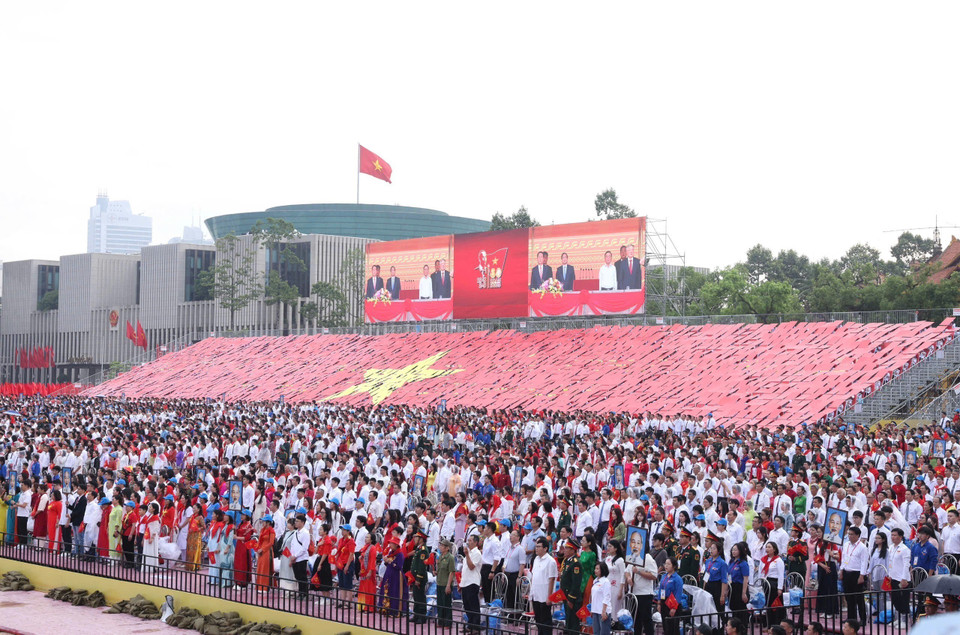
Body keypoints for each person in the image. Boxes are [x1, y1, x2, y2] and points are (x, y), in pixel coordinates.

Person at [627, 536, 657, 635]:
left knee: (646, 619)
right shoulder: (633, 556)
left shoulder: (648, 559)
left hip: (645, 593)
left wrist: (639, 572)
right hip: (634, 592)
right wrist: (628, 578)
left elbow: (654, 575)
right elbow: (626, 571)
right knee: (636, 619)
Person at [531, 536, 558, 635]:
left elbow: (551, 579)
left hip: (544, 595)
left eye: (539, 546)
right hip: (536, 594)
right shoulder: (536, 559)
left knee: (545, 620)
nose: (536, 548)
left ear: (545, 548)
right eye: (536, 546)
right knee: (538, 620)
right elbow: (534, 576)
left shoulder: (550, 561)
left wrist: (549, 597)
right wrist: (531, 593)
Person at [559, 538, 584, 632]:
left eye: (567, 548)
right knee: (568, 622)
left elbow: (576, 583)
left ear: (573, 550)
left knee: (573, 623)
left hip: (572, 598)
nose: (564, 550)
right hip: (566, 595)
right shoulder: (568, 561)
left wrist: (571, 598)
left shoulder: (575, 563)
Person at [461, 534, 483, 632]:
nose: (468, 542)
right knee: (467, 605)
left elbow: (471, 566)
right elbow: (465, 569)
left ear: (475, 542)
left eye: (470, 541)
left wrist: (466, 555)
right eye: (468, 540)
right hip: (466, 581)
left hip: (473, 582)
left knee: (473, 605)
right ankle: (470, 624)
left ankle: (476, 626)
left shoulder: (477, 553)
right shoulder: (469, 552)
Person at [888, 527, 911, 618]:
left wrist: (904, 578)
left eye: (895, 535)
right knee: (895, 599)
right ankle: (897, 617)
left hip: (901, 578)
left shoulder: (904, 549)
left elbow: (906, 565)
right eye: (892, 535)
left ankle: (904, 619)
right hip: (892, 577)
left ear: (900, 537)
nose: (893, 537)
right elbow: (890, 562)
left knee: (903, 600)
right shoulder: (890, 547)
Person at [760, 541, 785, 625]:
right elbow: (761, 572)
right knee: (766, 604)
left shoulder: (778, 560)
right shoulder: (763, 559)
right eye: (766, 547)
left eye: (770, 547)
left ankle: (775, 623)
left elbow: (781, 575)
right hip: (766, 582)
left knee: (773, 605)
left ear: (774, 549)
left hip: (774, 583)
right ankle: (767, 623)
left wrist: (780, 588)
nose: (767, 549)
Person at [660, 557, 685, 635]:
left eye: (668, 564)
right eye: (665, 564)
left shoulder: (677, 578)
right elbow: (661, 589)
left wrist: (674, 607)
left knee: (673, 627)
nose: (666, 566)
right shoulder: (663, 576)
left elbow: (678, 594)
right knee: (665, 625)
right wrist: (659, 602)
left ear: (674, 566)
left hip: (673, 603)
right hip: (664, 601)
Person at [409, 528, 430, 623]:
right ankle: (416, 614)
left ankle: (422, 616)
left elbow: (422, 566)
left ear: (421, 539)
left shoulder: (423, 550)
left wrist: (418, 578)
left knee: (420, 596)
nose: (414, 539)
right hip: (414, 576)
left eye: (416, 537)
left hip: (419, 577)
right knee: (416, 596)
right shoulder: (418, 549)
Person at [727, 542, 751, 623]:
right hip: (732, 586)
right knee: (733, 607)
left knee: (740, 609)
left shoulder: (743, 563)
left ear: (740, 551)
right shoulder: (731, 561)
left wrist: (744, 593)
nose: (733, 552)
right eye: (732, 550)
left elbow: (745, 579)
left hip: (740, 587)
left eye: (735, 550)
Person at [703, 540, 728, 614]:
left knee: (718, 608)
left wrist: (722, 595)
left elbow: (724, 580)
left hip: (717, 586)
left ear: (719, 551)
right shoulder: (708, 561)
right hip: (708, 585)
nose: (711, 550)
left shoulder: (722, 563)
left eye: (714, 548)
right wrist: (704, 589)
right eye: (711, 548)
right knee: (708, 608)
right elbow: (706, 576)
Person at [436, 539, 456, 628]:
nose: (440, 547)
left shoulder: (450, 557)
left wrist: (448, 585)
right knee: (440, 603)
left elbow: (451, 572)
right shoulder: (440, 557)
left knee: (446, 604)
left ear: (447, 548)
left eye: (442, 546)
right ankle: (440, 621)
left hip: (446, 583)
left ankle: (448, 622)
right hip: (439, 582)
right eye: (440, 545)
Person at [357, 531, 379, 613]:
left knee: (369, 589)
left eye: (368, 537)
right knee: (363, 589)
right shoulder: (365, 547)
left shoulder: (372, 548)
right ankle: (363, 606)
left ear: (372, 539)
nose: (366, 539)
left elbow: (372, 561)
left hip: (369, 571)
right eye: (365, 537)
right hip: (363, 571)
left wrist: (370, 571)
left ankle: (369, 608)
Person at [333, 523, 355, 605]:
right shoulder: (341, 540)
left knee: (348, 584)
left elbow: (351, 554)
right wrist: (336, 565)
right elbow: (338, 553)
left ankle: (348, 603)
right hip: (340, 564)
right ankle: (342, 601)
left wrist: (347, 566)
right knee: (341, 583)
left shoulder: (351, 541)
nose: (342, 531)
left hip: (347, 563)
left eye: (344, 530)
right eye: (342, 530)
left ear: (348, 531)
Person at [233, 509, 255, 589]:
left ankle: (242, 583)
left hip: (244, 547)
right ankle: (237, 581)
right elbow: (237, 533)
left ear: (247, 516)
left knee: (243, 563)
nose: (241, 516)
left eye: (243, 515)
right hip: (238, 546)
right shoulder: (240, 524)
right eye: (241, 514)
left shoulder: (249, 526)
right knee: (238, 563)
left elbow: (247, 538)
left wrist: (237, 537)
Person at [592, 561, 613, 635]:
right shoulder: (595, 581)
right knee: (596, 632)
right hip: (595, 610)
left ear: (602, 570)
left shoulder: (605, 582)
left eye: (597, 569)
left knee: (604, 633)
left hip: (603, 611)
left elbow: (607, 597)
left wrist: (604, 611)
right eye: (595, 568)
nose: (595, 570)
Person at [255, 516, 276, 591]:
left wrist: (262, 549)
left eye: (264, 521)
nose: (262, 523)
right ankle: (260, 586)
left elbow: (271, 542)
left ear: (268, 522)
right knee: (260, 568)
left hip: (267, 551)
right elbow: (260, 540)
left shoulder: (271, 531)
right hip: (261, 550)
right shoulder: (262, 530)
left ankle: (264, 587)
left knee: (265, 568)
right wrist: (258, 548)